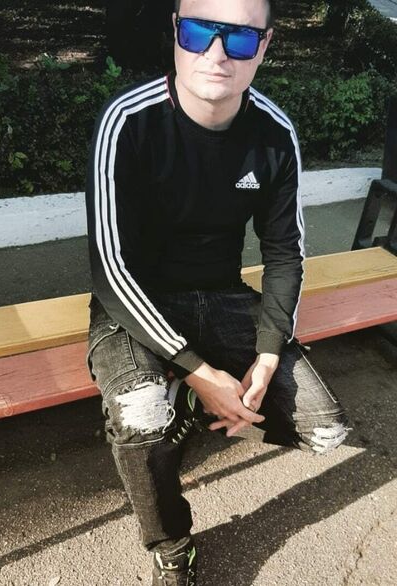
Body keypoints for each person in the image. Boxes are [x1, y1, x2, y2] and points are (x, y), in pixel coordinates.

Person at [85, 0, 351, 583]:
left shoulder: (274, 132)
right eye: (200, 30)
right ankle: (172, 544)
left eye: (240, 38)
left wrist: (267, 356)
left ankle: (184, 407)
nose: (216, 53)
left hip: (222, 294)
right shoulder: (128, 120)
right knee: (142, 413)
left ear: (266, 45)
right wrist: (201, 373)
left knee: (325, 428)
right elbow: (109, 267)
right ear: (175, 31)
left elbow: (284, 253)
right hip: (135, 301)